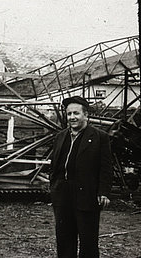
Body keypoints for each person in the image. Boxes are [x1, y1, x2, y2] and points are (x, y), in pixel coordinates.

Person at [49, 96, 113, 258]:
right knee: (64, 240)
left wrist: (103, 192)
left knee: (88, 242)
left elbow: (106, 167)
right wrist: (54, 187)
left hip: (87, 195)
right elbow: (54, 165)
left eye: (76, 113)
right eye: (69, 114)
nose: (72, 117)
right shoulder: (60, 137)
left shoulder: (100, 137)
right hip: (63, 195)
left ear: (86, 115)